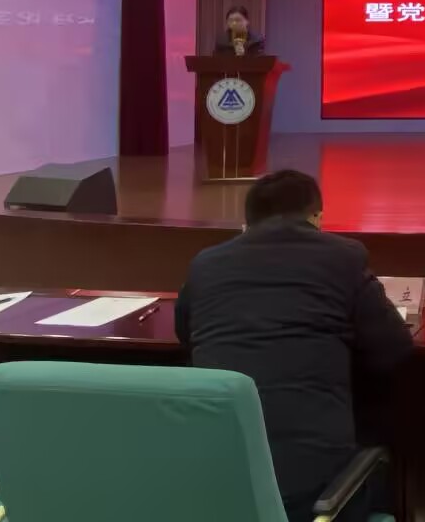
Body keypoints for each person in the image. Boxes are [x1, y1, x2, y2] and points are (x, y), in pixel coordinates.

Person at [175, 170, 412, 522]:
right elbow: (393, 349)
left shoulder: (205, 265)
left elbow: (187, 337)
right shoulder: (343, 257)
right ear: (316, 217)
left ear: (247, 223)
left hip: (216, 488)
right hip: (315, 498)